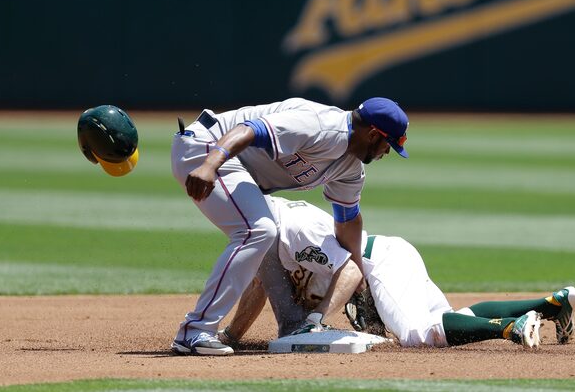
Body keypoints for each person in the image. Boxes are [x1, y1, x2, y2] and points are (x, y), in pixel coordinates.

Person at [169, 97, 409, 355]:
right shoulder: (318, 125)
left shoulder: (350, 167)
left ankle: (265, 328)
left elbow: (348, 219)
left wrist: (359, 281)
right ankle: (194, 331)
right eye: (389, 145)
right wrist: (209, 165)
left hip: (234, 165)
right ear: (373, 134)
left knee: (265, 232)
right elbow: (247, 130)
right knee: (258, 230)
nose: (387, 152)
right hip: (209, 146)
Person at [224, 197, 575, 350]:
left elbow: (351, 271)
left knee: (418, 334)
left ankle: (509, 329)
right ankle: (553, 305)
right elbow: (258, 286)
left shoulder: (293, 225)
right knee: (447, 320)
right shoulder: (266, 236)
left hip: (381, 263)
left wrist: (315, 318)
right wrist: (231, 336)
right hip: (392, 252)